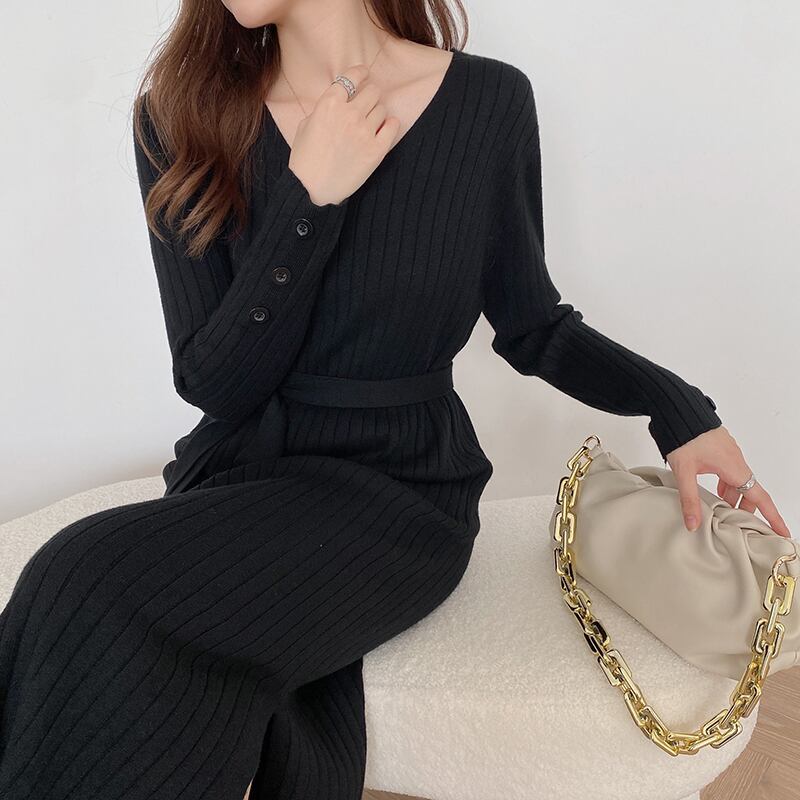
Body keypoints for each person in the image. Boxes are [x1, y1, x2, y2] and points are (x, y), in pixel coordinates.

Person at [0, 2, 790, 799]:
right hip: (240, 467)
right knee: (74, 581)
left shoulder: (487, 104)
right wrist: (309, 198)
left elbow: (533, 326)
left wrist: (677, 408)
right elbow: (213, 383)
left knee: (83, 576)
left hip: (402, 491)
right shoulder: (179, 115)